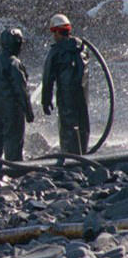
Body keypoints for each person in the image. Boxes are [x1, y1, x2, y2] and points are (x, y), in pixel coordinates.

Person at [42, 14, 90, 154]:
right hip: (82, 97)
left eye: (53, 33)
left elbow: (47, 78)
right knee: (82, 125)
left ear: (57, 32)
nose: (53, 36)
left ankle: (71, 159)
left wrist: (46, 100)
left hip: (66, 97)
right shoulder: (82, 48)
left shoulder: (56, 51)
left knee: (68, 128)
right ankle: (83, 157)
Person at [0, 28, 34, 162]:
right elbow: (21, 90)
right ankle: (14, 174)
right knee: (13, 144)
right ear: (17, 44)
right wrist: (28, 111)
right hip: (11, 112)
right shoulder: (14, 63)